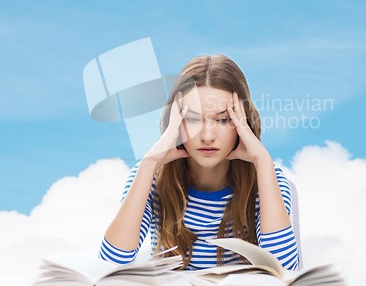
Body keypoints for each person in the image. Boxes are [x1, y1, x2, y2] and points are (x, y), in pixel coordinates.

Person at [99, 54, 299, 271]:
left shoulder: (268, 178)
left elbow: (284, 270)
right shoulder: (151, 176)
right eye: (193, 119)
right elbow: (110, 265)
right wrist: (149, 164)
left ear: (244, 122)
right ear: (175, 123)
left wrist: (262, 162)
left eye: (223, 119)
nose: (207, 136)